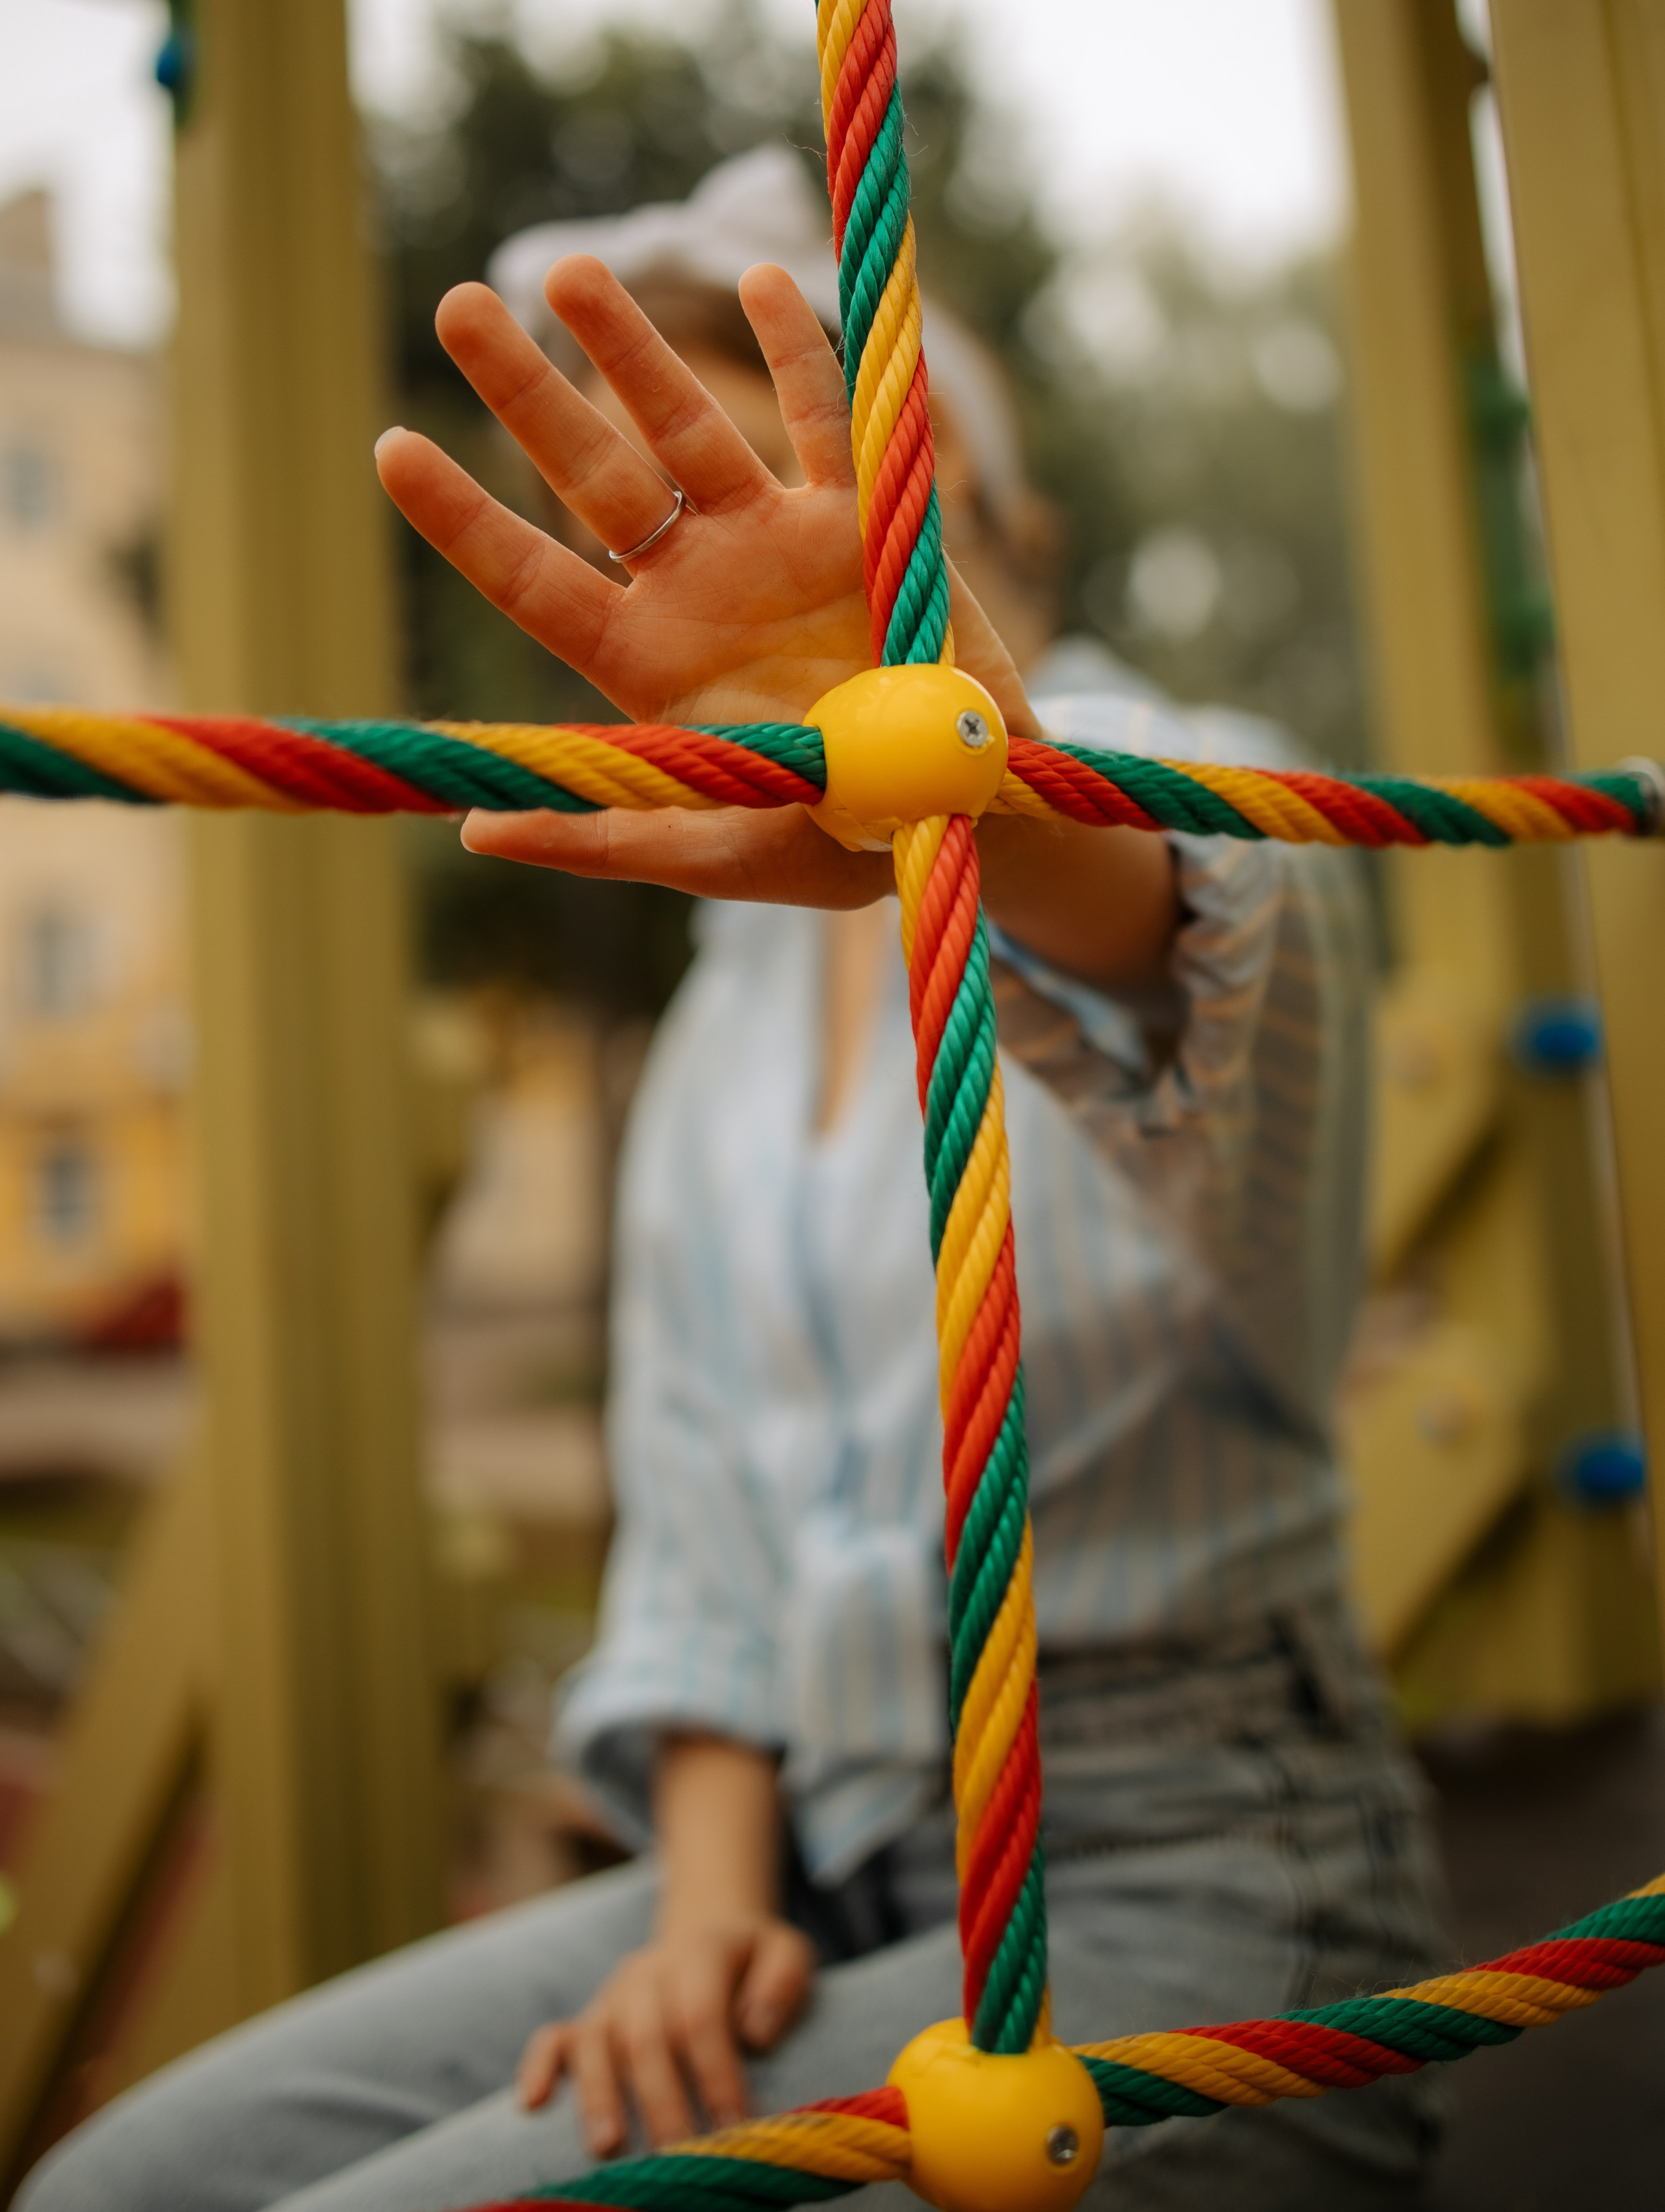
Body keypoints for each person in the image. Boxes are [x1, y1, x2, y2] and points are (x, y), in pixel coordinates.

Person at [19, 153, 1449, 2212]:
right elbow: (700, 1516)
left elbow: (1219, 959)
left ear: (987, 507)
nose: (733, 532)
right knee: (119, 2186)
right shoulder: (733, 1000)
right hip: (810, 1849)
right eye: (681, 505)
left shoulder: (1170, 773)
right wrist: (700, 1907)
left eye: (795, 466)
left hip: (1196, 1853)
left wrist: (977, 786)